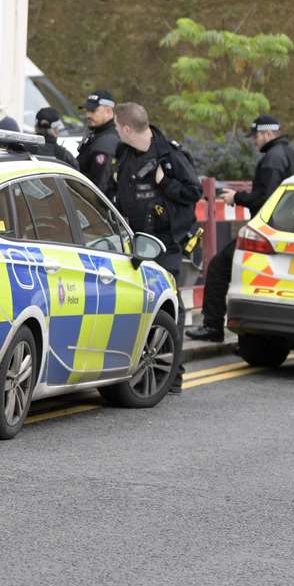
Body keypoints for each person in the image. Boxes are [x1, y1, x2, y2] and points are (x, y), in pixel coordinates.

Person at [187, 114, 294, 342]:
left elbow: (266, 200)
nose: (253, 141)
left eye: (255, 136)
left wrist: (237, 197)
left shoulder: (272, 160)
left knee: (218, 267)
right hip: (292, 232)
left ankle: (212, 326)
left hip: (267, 232)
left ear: (266, 133)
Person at [109, 102, 201, 392]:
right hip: (134, 242)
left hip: (167, 244)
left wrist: (165, 184)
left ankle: (171, 374)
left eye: (115, 126)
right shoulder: (123, 153)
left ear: (125, 128)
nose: (114, 130)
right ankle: (134, 364)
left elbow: (194, 193)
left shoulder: (169, 155)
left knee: (169, 306)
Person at [76, 92, 120, 197]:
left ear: (108, 111)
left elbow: (99, 190)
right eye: (87, 111)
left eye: (93, 111)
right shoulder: (97, 133)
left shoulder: (106, 143)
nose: (87, 115)